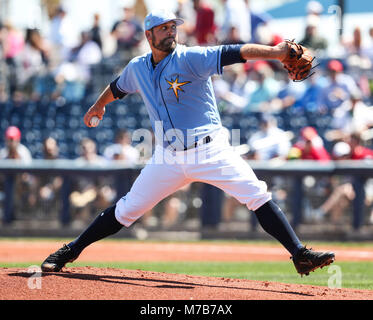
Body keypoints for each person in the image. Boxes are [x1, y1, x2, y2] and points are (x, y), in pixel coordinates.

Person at [41, 10, 335, 276]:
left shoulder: (191, 58)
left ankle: (299, 254)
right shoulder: (137, 67)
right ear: (149, 35)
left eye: (173, 27)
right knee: (126, 210)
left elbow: (235, 52)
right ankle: (70, 251)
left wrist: (274, 52)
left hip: (211, 150)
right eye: (163, 28)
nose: (170, 31)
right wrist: (98, 106)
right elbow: (117, 87)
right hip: (167, 157)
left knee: (257, 196)